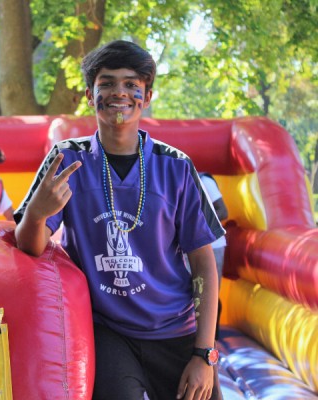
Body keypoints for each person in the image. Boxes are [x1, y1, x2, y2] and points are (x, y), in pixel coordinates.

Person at [14, 40, 225, 400]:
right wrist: (36, 213)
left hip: (175, 330)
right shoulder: (65, 159)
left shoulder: (174, 165)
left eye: (131, 84)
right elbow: (27, 246)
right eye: (107, 83)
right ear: (88, 94)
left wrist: (205, 353)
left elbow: (203, 263)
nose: (119, 93)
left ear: (148, 95)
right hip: (105, 329)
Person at [199, 172, 228, 340]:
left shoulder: (204, 181)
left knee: (211, 293)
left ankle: (213, 339)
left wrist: (198, 224)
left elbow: (223, 211)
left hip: (213, 245)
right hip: (191, 247)